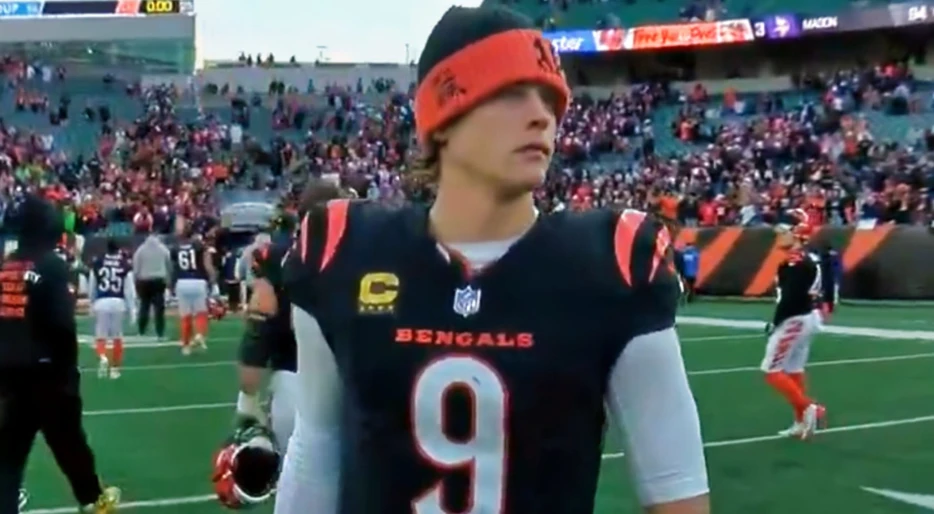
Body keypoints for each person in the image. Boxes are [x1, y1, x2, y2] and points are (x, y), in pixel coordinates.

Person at [274, 6, 709, 514]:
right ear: (443, 117)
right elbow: (316, 447)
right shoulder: (339, 247)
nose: (542, 115)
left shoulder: (611, 260)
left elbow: (674, 486)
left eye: (549, 98)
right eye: (512, 93)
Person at [213, 179, 345, 509]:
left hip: (297, 381)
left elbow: (260, 328)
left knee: (301, 481)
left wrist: (247, 399)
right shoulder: (366, 257)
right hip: (355, 386)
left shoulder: (280, 257)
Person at [0, 194, 120, 514]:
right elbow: (61, 325)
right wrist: (68, 371)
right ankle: (93, 500)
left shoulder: (7, 266)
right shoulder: (52, 265)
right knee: (70, 446)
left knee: (8, 458)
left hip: (10, 375)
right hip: (48, 374)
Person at [761, 210, 827, 440]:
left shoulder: (794, 262)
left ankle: (809, 408)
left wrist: (776, 321)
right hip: (807, 316)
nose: (778, 236)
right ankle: (800, 421)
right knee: (794, 369)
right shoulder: (807, 259)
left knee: (771, 371)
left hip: (794, 318)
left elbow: (791, 297)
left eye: (783, 232)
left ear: (797, 234)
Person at [88, 238, 137, 379]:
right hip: (118, 301)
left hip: (102, 301)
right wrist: (132, 309)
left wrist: (92, 303)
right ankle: (115, 369)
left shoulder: (98, 263)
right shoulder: (124, 264)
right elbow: (129, 290)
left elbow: (92, 285)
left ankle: (103, 356)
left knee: (100, 335)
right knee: (117, 337)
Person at [171, 230, 216, 354]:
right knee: (201, 312)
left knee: (185, 315)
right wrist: (213, 280)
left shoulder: (176, 249)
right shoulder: (200, 247)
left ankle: (186, 346)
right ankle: (199, 334)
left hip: (181, 282)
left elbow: (173, 267)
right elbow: (208, 266)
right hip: (198, 280)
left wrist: (171, 285)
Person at [132, 233, 171, 339]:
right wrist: (168, 280)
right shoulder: (163, 249)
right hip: (159, 280)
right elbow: (168, 265)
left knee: (144, 306)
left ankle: (141, 331)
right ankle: (160, 332)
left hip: (144, 280)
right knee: (159, 308)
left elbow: (136, 267)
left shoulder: (140, 250)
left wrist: (135, 280)